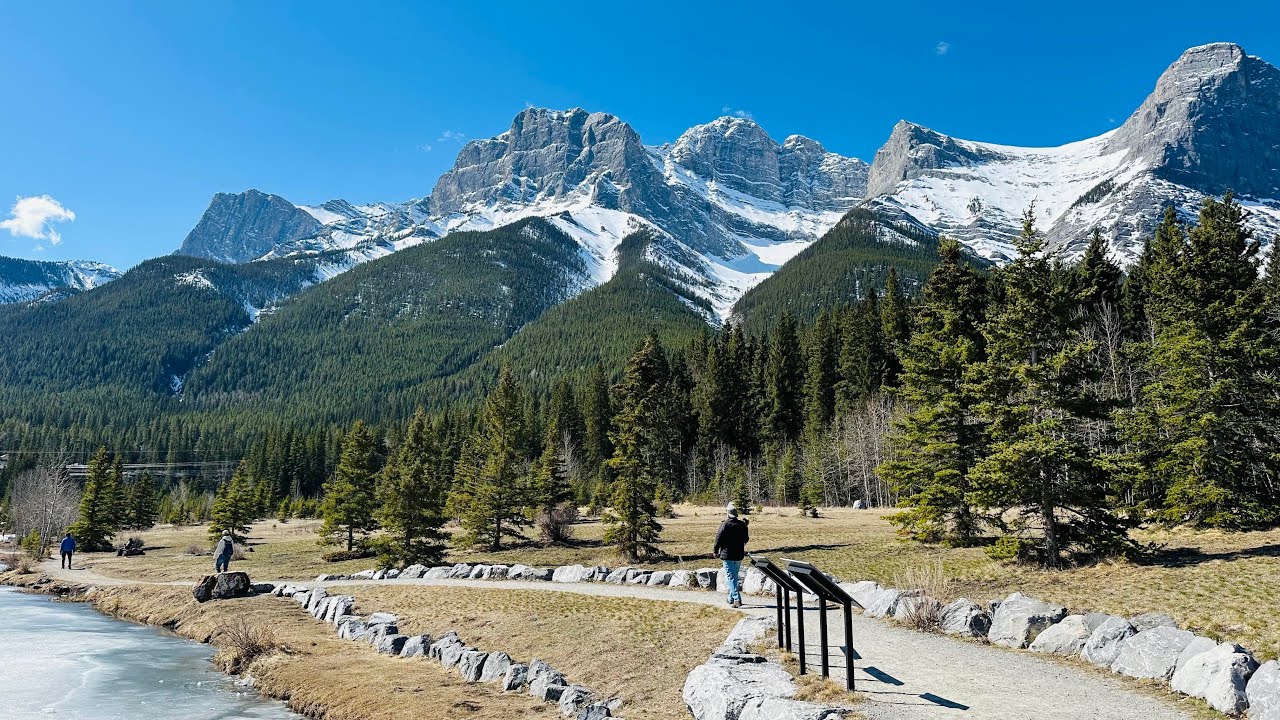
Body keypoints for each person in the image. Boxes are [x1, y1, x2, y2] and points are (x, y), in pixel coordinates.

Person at [712, 502, 750, 608]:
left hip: (727, 555)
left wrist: (715, 551)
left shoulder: (724, 524)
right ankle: (731, 598)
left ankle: (737, 599)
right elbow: (746, 539)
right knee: (734, 577)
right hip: (738, 555)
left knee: (731, 577)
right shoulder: (742, 525)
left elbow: (718, 538)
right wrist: (746, 526)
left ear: (728, 513)